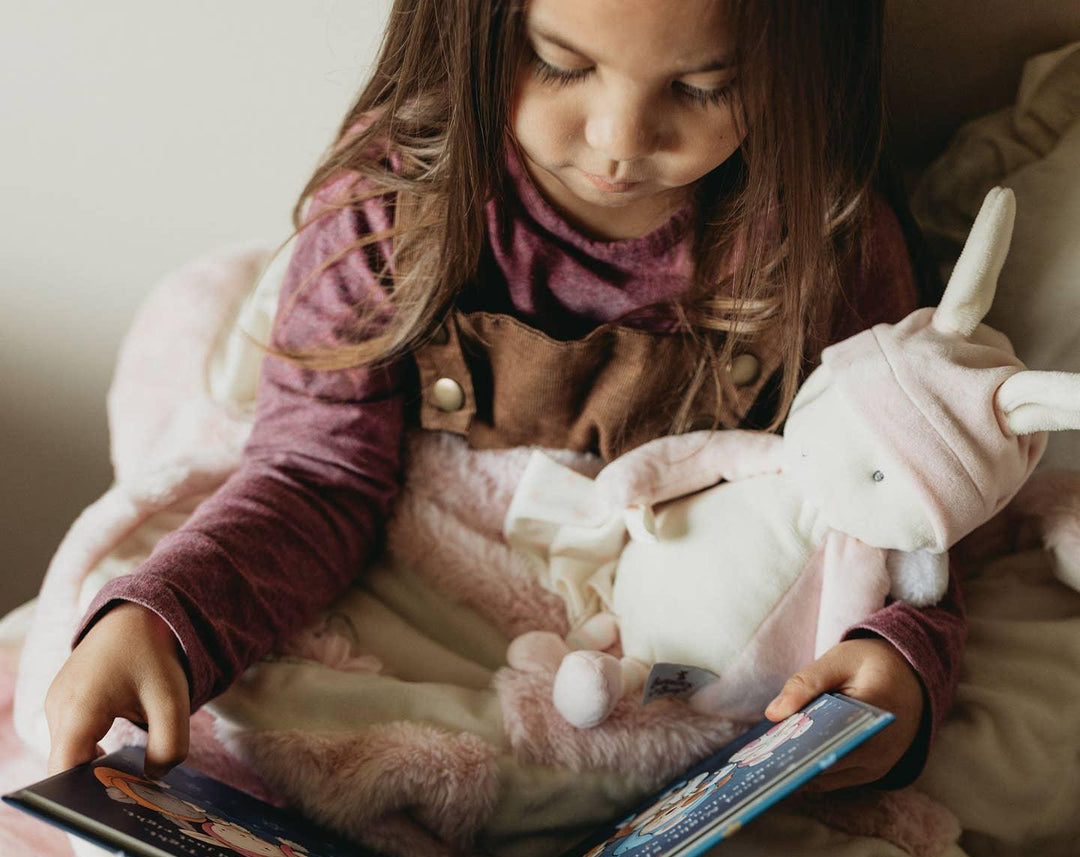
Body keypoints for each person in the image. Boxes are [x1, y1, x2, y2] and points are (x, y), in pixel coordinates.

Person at [44, 0, 963, 799]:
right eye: (562, 64)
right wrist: (167, 619)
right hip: (433, 607)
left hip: (670, 659)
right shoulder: (390, 207)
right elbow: (312, 475)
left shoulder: (827, 241)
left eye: (705, 86)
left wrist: (901, 663)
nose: (619, 139)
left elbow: (904, 514)